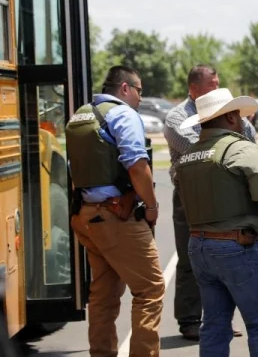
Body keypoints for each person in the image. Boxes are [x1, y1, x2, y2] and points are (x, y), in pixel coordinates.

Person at [175, 88, 258, 356]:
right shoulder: (241, 150)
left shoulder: (187, 157)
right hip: (237, 247)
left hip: (200, 248)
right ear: (232, 118)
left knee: (214, 325)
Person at [65, 65, 164, 356]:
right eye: (139, 91)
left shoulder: (81, 116)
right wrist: (152, 206)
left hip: (85, 215)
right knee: (150, 289)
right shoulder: (123, 114)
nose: (140, 99)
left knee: (104, 294)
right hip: (115, 216)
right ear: (124, 88)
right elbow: (136, 165)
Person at [163, 64, 255, 340]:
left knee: (225, 255)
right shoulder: (177, 118)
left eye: (218, 83)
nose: (217, 88)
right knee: (190, 257)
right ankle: (190, 320)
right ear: (194, 89)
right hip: (190, 198)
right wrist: (232, 144)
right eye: (212, 84)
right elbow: (202, 153)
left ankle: (220, 319)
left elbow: (250, 141)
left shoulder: (228, 113)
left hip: (227, 195)